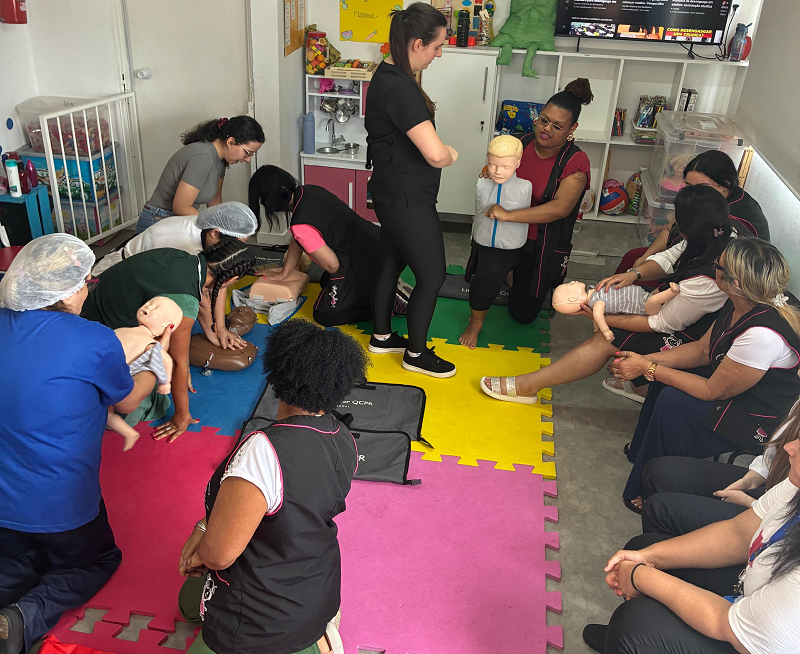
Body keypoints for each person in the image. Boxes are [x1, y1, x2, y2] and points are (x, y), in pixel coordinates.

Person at [0, 234, 155, 654]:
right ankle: (23, 617)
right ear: (68, 292)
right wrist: (154, 367)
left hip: (3, 507)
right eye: (87, 282)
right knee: (97, 558)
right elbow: (126, 401)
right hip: (62, 506)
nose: (87, 290)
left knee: (20, 559)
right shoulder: (92, 338)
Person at [176, 319, 369, 654]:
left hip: (263, 622)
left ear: (276, 377)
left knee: (199, 598)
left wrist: (203, 549)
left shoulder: (264, 449)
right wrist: (204, 526)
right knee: (189, 602)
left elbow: (219, 556)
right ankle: (318, 628)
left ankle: (314, 644)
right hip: (315, 577)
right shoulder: (342, 436)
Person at [480, 185, 733, 405]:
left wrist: (601, 318)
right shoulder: (717, 233)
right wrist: (634, 274)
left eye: (678, 222)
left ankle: (527, 386)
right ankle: (642, 387)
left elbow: (662, 324)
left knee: (605, 340)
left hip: (694, 331)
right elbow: (669, 258)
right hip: (671, 303)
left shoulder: (707, 280)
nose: (672, 225)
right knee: (612, 318)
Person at [611, 238, 800, 510]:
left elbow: (712, 391)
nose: (713, 268)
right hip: (740, 390)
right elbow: (702, 350)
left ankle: (653, 487)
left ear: (735, 282)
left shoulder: (762, 335)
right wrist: (647, 360)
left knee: (675, 402)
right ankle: (644, 453)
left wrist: (648, 369)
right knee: (666, 380)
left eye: (717, 266)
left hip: (757, 418)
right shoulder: (741, 300)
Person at [582, 430, 800, 654]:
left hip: (751, 639)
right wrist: (648, 558)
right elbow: (738, 534)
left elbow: (726, 625)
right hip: (753, 596)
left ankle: (627, 641)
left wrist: (639, 576)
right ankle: (620, 641)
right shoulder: (796, 485)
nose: (789, 447)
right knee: (639, 550)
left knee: (633, 625)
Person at [81, 237, 256, 440]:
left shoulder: (179, 256)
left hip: (83, 312)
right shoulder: (185, 301)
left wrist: (217, 329)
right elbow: (178, 360)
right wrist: (182, 416)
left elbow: (199, 296)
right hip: (95, 344)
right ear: (230, 279)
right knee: (148, 397)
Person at [366, 3, 459, 378]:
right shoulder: (401, 88)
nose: (439, 54)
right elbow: (435, 154)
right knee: (433, 274)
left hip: (391, 192)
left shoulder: (388, 74)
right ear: (418, 44)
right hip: (406, 198)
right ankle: (416, 354)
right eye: (437, 46)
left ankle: (382, 336)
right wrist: (451, 153)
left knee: (392, 261)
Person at [479, 79, 593, 327]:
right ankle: (506, 273)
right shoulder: (519, 143)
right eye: (544, 120)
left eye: (557, 126)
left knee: (522, 315)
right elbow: (496, 170)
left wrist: (509, 215)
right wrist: (489, 171)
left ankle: (515, 276)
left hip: (538, 243)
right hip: (505, 233)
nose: (546, 129)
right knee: (483, 280)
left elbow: (560, 208)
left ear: (572, 128)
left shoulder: (576, 162)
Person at [640, 394, 800, 536]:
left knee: (658, 510)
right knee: (657, 472)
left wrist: (752, 504)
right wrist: (751, 479)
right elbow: (776, 451)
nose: (789, 447)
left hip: (778, 521)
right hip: (771, 488)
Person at [248, 165, 380, 327]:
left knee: (323, 316)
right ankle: (378, 291)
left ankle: (384, 305)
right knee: (325, 281)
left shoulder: (300, 224)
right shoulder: (308, 191)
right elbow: (298, 240)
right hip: (377, 243)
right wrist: (284, 273)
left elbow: (333, 266)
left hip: (364, 263)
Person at [616, 150, 769, 278]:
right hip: (679, 255)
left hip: (705, 273)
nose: (694, 193)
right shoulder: (697, 201)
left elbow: (698, 267)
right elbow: (670, 229)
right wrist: (646, 257)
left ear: (725, 184)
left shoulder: (733, 220)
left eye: (702, 187)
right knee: (633, 258)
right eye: (689, 186)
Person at [459, 135, 531, 349]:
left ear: (518, 163)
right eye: (492, 165)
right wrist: (487, 170)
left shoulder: (525, 187)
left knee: (523, 305)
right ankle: (475, 323)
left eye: (505, 166)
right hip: (484, 242)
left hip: (513, 245)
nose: (498, 171)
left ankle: (508, 273)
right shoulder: (482, 183)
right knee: (483, 283)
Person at [137, 116, 264, 233]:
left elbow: (215, 201)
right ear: (230, 142)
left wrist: (224, 227)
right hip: (158, 219)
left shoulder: (220, 160)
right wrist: (216, 228)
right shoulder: (203, 157)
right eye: (247, 153)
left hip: (178, 220)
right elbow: (181, 207)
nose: (248, 159)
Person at [94, 202, 258, 275]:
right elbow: (202, 294)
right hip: (116, 273)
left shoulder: (204, 225)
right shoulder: (186, 247)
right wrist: (217, 329)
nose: (231, 251)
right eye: (231, 245)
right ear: (215, 233)